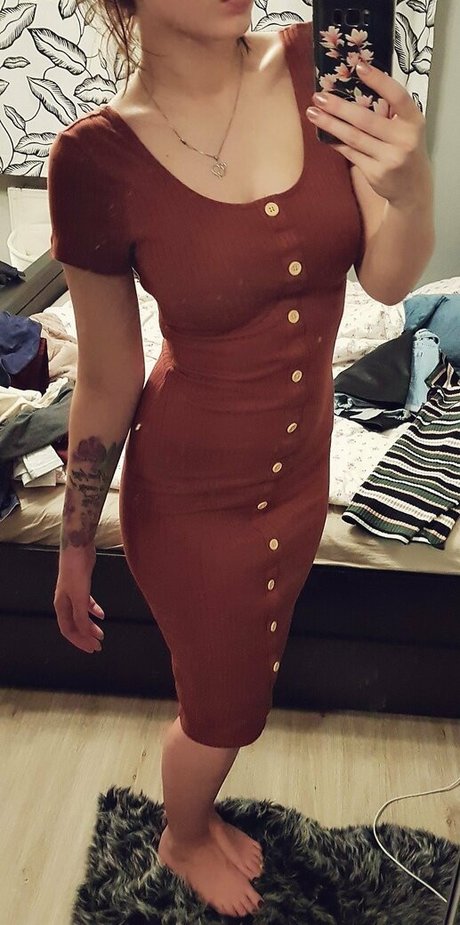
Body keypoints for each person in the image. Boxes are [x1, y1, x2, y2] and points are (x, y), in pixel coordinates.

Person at [48, 0, 435, 917]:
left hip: (300, 479)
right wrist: (74, 544)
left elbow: (387, 279)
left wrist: (414, 189)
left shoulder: (316, 68)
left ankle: (200, 820)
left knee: (245, 677)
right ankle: (181, 837)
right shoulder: (94, 161)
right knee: (223, 710)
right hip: (191, 501)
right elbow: (107, 376)